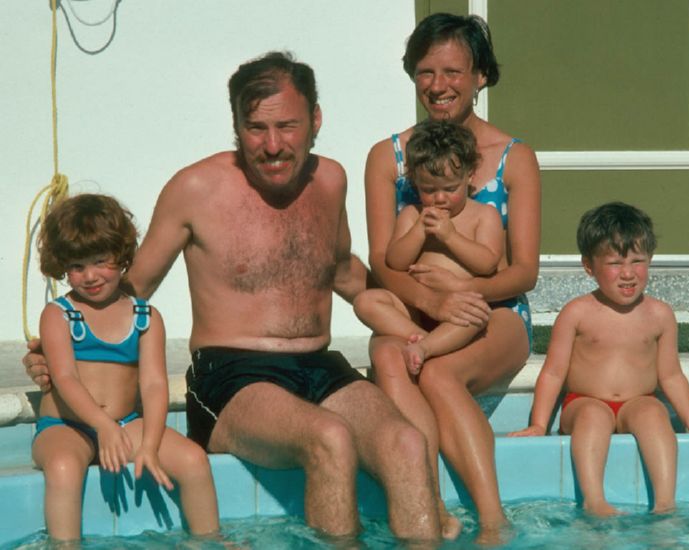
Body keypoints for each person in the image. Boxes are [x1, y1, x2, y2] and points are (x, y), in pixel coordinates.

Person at [26, 52, 441, 542]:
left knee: (408, 443)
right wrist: (59, 349)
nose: (272, 145)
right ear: (236, 125)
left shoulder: (330, 179)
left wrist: (428, 313)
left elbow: (344, 272)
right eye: (255, 128)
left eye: (287, 126)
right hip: (230, 375)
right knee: (329, 439)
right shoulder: (196, 188)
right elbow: (126, 287)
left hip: (319, 366)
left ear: (316, 120)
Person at [364, 12, 540, 542]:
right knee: (383, 354)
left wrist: (459, 297)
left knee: (438, 375)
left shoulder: (513, 158)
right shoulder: (389, 158)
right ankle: (431, 508)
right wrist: (430, 302)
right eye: (424, 72)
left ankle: (492, 521)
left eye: (453, 72)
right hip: (415, 311)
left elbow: (522, 272)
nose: (437, 86)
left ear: (481, 76)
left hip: (495, 313)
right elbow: (380, 262)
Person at [509, 202, 689, 516]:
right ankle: (594, 500)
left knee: (655, 412)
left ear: (650, 259)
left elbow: (670, 376)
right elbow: (554, 373)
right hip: (583, 401)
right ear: (589, 266)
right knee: (593, 416)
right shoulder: (577, 312)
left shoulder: (659, 315)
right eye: (615, 263)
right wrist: (538, 424)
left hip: (637, 401)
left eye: (638, 261)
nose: (628, 273)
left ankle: (665, 504)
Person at [31, 194, 220, 542]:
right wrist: (102, 425)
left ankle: (210, 541)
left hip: (126, 424)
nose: (89, 276)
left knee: (194, 461)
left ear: (121, 255)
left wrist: (148, 444)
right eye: (77, 266)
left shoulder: (144, 317)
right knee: (63, 469)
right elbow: (65, 378)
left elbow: (153, 385)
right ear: (62, 266)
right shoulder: (58, 315)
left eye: (100, 260)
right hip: (65, 424)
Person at [355, 119, 503, 375]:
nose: (440, 197)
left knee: (477, 316)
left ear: (469, 174)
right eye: (429, 190)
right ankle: (423, 339)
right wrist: (418, 232)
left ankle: (425, 349)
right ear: (414, 182)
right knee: (365, 301)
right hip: (414, 308)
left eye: (450, 188)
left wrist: (450, 237)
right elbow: (395, 262)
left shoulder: (483, 215)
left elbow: (488, 263)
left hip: (459, 306)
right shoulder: (413, 215)